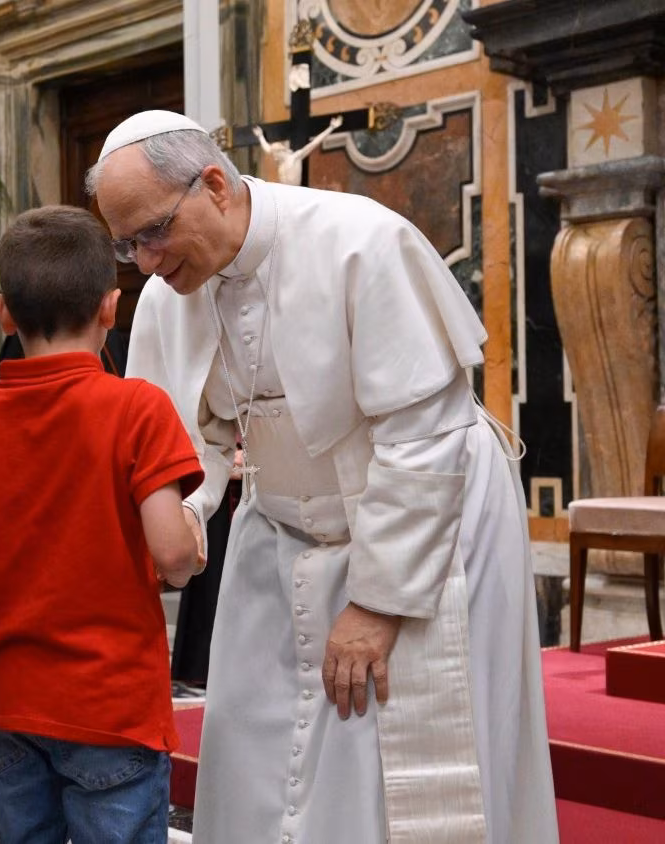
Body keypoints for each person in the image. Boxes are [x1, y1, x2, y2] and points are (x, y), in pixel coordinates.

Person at [87, 110, 558, 843]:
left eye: (153, 232)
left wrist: (378, 602)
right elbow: (183, 443)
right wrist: (182, 523)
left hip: (422, 520)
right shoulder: (169, 295)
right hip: (282, 524)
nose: (144, 262)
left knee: (402, 764)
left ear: (214, 185)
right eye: (126, 244)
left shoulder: (360, 241)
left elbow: (421, 436)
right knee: (255, 741)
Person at [0, 205, 205, 844]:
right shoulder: (138, 407)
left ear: (4, 314)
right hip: (114, 704)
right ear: (110, 308)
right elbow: (172, 554)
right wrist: (190, 549)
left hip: (11, 700)